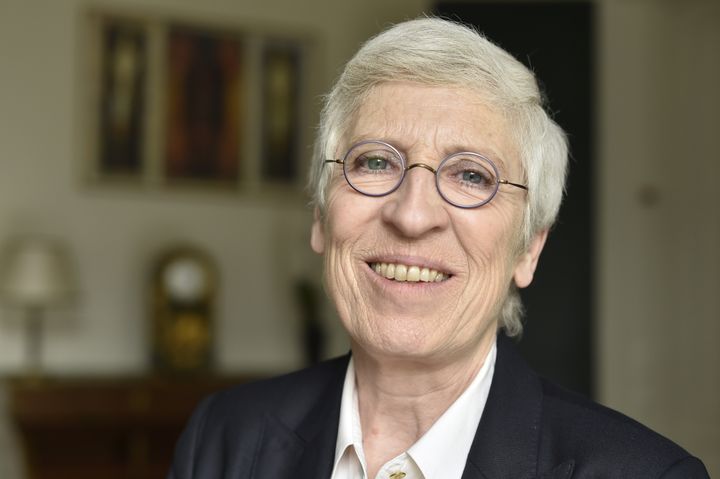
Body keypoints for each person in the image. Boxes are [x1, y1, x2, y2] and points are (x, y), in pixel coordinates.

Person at [168, 18, 709, 478]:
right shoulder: (222, 440)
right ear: (321, 216)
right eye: (375, 162)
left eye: (472, 175)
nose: (413, 214)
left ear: (529, 248)